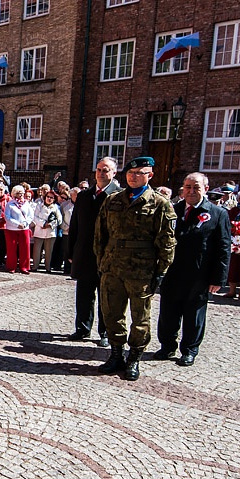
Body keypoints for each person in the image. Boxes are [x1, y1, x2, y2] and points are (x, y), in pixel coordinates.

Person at [94, 156, 176, 381]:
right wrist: (102, 261)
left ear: (150, 176)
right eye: (131, 173)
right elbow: (100, 235)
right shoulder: (112, 200)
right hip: (112, 267)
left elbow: (166, 240)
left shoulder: (159, 203)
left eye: (140, 173)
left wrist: (161, 270)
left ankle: (134, 358)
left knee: (140, 318)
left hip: (141, 270)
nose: (133, 176)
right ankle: (116, 354)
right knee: (111, 313)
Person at [154, 173, 232, 366]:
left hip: (199, 274)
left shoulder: (217, 214)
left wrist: (218, 278)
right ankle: (167, 346)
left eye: (195, 187)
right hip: (172, 272)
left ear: (205, 188)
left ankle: (189, 350)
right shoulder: (173, 210)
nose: (191, 191)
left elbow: (223, 247)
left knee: (194, 315)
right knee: (168, 313)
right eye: (187, 187)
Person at [68, 157, 121, 346]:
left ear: (114, 173)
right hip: (84, 253)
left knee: (106, 296)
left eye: (106, 170)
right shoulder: (84, 196)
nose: (101, 173)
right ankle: (82, 328)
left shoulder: (119, 196)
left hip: (108, 255)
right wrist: (71, 251)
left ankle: (105, 332)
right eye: (99, 169)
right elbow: (75, 226)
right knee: (84, 294)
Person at [3, 184, 34, 273]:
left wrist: (25, 223)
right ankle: (11, 267)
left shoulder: (26, 203)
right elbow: (7, 217)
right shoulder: (10, 204)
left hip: (24, 229)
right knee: (11, 248)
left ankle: (24, 267)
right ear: (14, 194)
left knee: (25, 248)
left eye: (22, 193)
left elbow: (30, 215)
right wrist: (17, 224)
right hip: (11, 229)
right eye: (18, 193)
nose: (20, 195)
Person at [31, 189, 62, 272]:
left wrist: (50, 225)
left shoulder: (56, 208)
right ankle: (35, 266)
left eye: (51, 198)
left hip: (50, 232)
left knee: (49, 251)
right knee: (37, 250)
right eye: (48, 197)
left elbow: (59, 220)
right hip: (39, 230)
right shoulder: (39, 206)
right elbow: (35, 217)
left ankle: (48, 267)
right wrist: (43, 224)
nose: (49, 199)